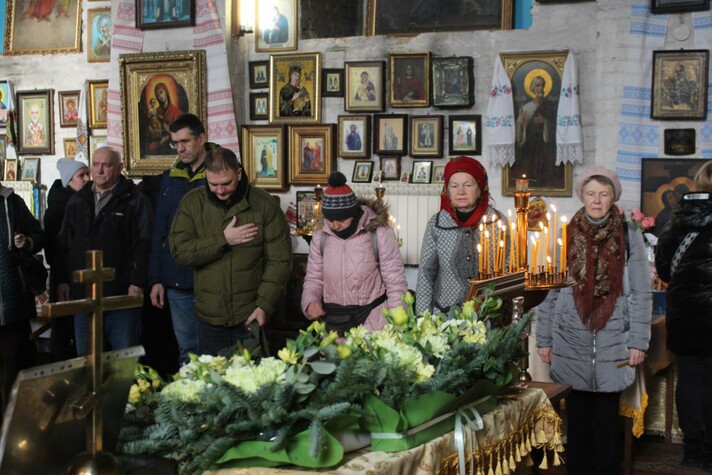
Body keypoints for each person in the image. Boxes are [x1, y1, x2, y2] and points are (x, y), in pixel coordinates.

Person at [536, 166, 651, 475]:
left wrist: (638, 342)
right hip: (570, 341)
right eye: (591, 194)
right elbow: (548, 289)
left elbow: (642, 290)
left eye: (604, 194)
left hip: (614, 342)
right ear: (582, 196)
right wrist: (544, 338)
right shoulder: (565, 233)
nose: (597, 200)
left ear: (614, 197)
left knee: (606, 427)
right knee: (576, 425)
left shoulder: (629, 233)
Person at [169, 146, 292, 356]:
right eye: (213, 184)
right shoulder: (191, 203)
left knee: (254, 376)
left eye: (226, 183)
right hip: (209, 317)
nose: (220, 190)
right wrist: (223, 240)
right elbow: (180, 252)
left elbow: (279, 261)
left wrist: (264, 305)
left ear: (239, 173)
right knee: (213, 376)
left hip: (250, 315)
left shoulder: (264, 205)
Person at [58, 147, 153, 356]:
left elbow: (145, 243)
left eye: (106, 165)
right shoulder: (77, 200)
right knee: (88, 363)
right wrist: (63, 280)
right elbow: (65, 245)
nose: (99, 170)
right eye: (95, 164)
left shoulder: (135, 200)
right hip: (84, 298)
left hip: (121, 296)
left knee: (124, 363)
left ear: (119, 168)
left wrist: (138, 282)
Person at [655, 160, 712, 470]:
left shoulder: (676, 219)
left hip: (685, 313)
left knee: (689, 379)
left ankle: (692, 450)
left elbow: (665, 271)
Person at [302, 172, 407, 332]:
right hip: (333, 322)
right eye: (330, 220)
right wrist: (310, 301)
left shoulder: (379, 234)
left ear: (354, 213)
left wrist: (398, 323)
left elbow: (395, 283)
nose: (335, 225)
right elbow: (313, 279)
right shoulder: (320, 237)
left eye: (341, 220)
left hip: (372, 322)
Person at [149, 114, 215, 366]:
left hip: (212, 277)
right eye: (175, 143)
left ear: (202, 138)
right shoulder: (171, 177)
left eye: (185, 141)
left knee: (215, 351)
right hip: (177, 280)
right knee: (187, 351)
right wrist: (156, 279)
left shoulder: (221, 172)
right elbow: (160, 230)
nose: (180, 148)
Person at [416, 156, 508, 314]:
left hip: (488, 315)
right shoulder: (437, 223)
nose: (461, 192)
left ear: (480, 188)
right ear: (447, 190)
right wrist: (422, 319)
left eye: (468, 185)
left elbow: (509, 268)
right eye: (454, 186)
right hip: (446, 317)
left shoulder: (497, 221)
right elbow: (426, 274)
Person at [0, 182, 45, 411]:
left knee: (16, 372)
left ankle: (14, 426)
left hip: (13, 305)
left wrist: (26, 241)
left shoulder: (12, 202)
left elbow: (39, 235)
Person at [44, 158, 90, 362]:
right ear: (69, 181)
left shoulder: (85, 200)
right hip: (64, 276)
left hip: (81, 274)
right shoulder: (57, 209)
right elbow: (55, 250)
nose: (87, 179)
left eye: (87, 174)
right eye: (81, 176)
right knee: (65, 330)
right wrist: (63, 279)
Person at [512, 75, 558, 186]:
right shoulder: (527, 108)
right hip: (530, 149)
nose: (540, 88)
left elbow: (557, 127)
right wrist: (522, 123)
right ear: (532, 88)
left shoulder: (550, 106)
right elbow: (519, 133)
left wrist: (545, 122)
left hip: (546, 149)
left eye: (542, 85)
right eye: (537, 85)